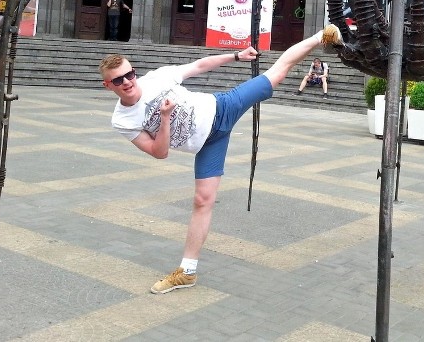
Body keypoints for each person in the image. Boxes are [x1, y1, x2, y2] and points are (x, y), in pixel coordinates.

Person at [99, 24, 343, 294]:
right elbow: (160, 152)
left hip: (222, 107)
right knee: (202, 201)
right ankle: (187, 272)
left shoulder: (158, 78)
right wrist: (165, 118)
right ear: (108, 85)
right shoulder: (122, 120)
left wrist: (236, 56)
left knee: (278, 72)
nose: (128, 82)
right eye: (119, 80)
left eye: (130, 74)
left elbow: (200, 65)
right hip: (208, 144)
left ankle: (321, 36)